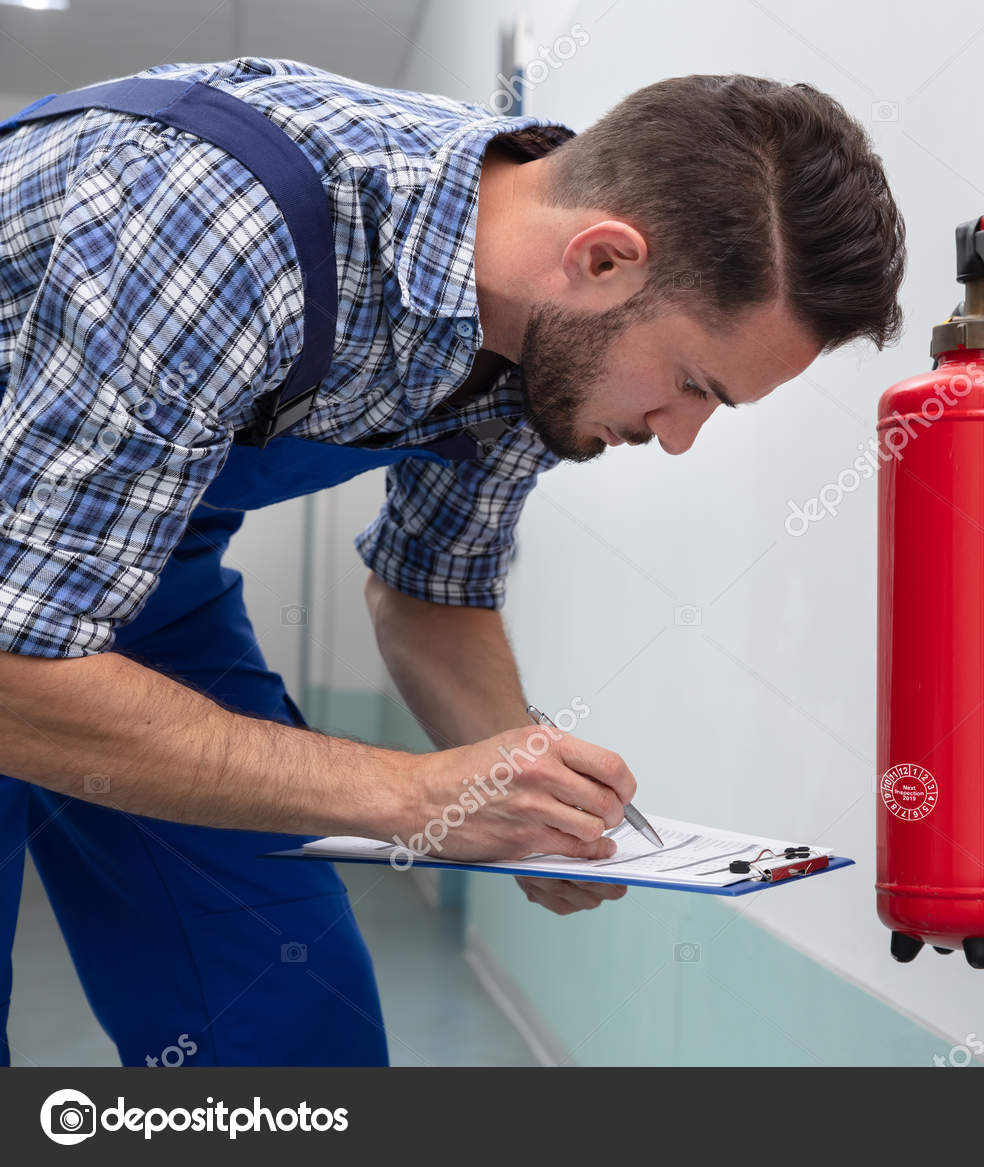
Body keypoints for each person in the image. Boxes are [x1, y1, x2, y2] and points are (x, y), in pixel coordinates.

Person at [0, 57, 905, 1066]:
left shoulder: (540, 332)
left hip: (134, 577)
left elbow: (431, 589)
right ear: (603, 259)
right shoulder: (229, 222)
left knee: (287, 1026)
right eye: (693, 383)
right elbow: (16, 674)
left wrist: (521, 799)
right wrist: (409, 796)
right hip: (16, 640)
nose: (679, 434)